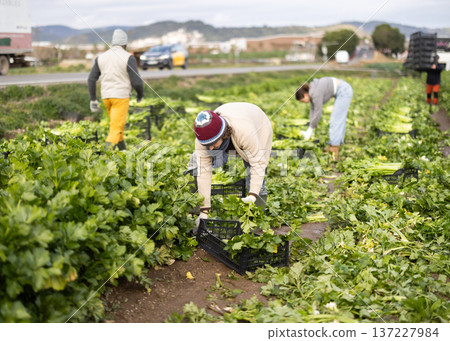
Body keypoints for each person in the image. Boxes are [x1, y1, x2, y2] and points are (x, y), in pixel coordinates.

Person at [190, 103, 273, 228]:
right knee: (195, 163)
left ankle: (255, 220)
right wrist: (204, 210)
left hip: (258, 125)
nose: (210, 147)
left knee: (255, 175)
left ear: (223, 134)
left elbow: (258, 164)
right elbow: (204, 172)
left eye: (213, 143)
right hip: (230, 124)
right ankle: (196, 215)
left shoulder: (245, 132)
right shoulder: (203, 139)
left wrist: (253, 195)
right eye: (207, 145)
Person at [88, 29, 144, 150]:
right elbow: (136, 81)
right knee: (115, 128)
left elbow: (91, 79)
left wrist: (93, 99)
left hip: (106, 97)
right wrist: (140, 94)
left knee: (117, 126)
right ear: (125, 44)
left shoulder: (101, 57)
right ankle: (105, 158)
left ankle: (123, 152)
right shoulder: (128, 57)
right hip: (121, 97)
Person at [295, 77, 353, 158]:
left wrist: (311, 128)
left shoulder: (314, 93)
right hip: (342, 89)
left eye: (302, 100)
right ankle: (334, 145)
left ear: (305, 95)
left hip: (344, 90)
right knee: (339, 119)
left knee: (335, 120)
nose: (303, 102)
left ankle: (334, 150)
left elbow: (318, 111)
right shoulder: (312, 91)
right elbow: (313, 110)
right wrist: (310, 127)